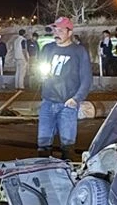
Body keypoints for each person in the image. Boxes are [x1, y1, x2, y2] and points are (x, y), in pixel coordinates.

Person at [37, 16, 93, 161]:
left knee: (67, 146)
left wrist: (77, 98)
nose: (57, 33)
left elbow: (86, 78)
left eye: (61, 30)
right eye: (55, 29)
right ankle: (44, 174)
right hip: (48, 101)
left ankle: (66, 174)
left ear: (69, 32)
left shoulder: (79, 51)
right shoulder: (47, 49)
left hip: (68, 104)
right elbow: (39, 69)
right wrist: (39, 77)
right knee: (43, 144)